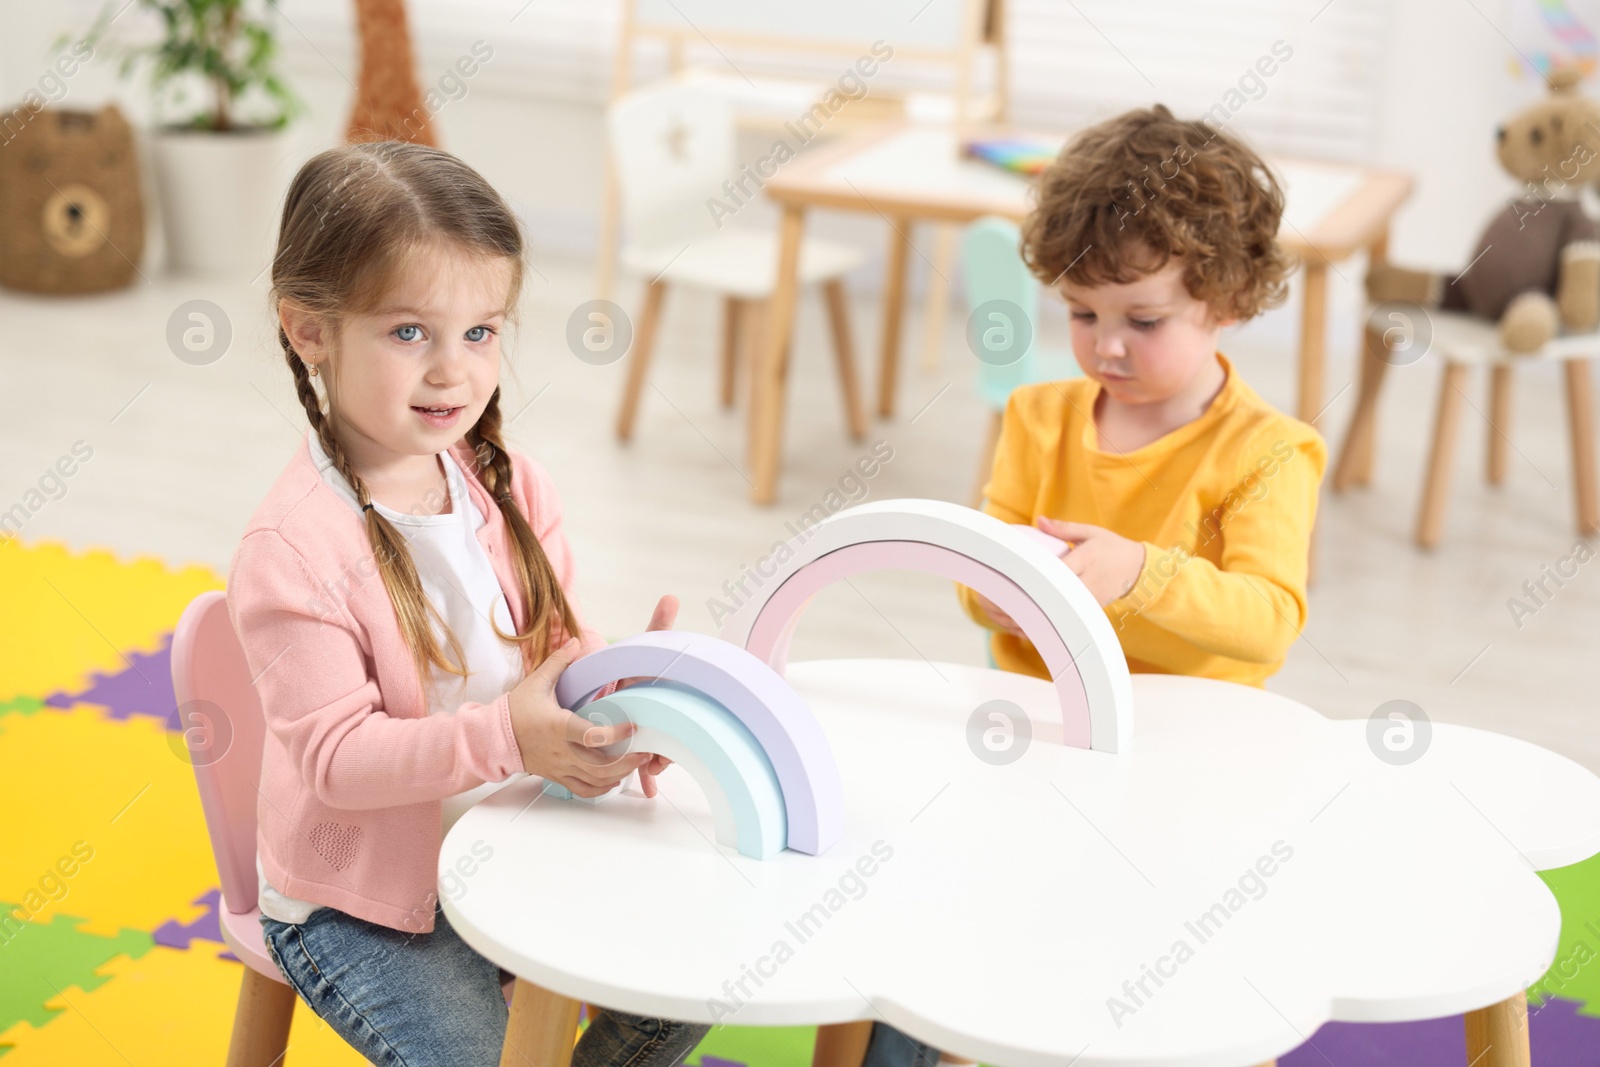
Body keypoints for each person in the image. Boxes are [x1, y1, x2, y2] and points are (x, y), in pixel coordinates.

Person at [866, 103, 1328, 1067]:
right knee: (922, 914)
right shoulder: (1038, 419)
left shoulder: (1268, 453)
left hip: (1182, 759)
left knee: (1155, 966)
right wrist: (996, 585)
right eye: (1081, 315)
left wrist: (1140, 573)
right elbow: (976, 577)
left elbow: (1269, 620)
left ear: (1230, 300)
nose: (1105, 346)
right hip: (1033, 734)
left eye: (1143, 321)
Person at [228, 140, 706, 1067]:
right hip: (358, 900)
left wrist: (618, 709)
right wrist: (510, 739)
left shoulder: (513, 482)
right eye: (410, 332)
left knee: (696, 965)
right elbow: (336, 760)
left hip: (511, 828)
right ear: (309, 330)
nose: (454, 371)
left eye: (480, 332)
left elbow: (557, 648)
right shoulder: (290, 550)